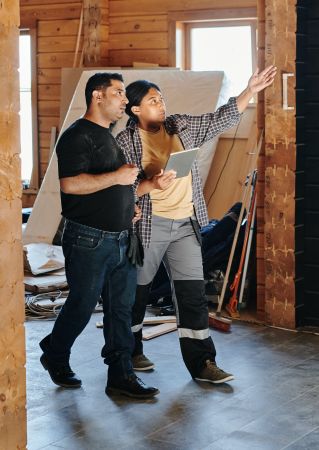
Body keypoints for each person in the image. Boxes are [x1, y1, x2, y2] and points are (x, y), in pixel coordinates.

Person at [116, 66, 277, 383]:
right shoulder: (125, 142)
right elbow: (118, 189)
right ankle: (129, 351)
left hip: (185, 224)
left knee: (191, 295)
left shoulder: (180, 126)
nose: (161, 105)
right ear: (135, 110)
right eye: (152, 101)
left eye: (161, 99)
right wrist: (151, 184)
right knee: (136, 293)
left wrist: (250, 90)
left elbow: (221, 118)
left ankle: (203, 363)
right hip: (149, 227)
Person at [39, 72, 159, 399]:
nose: (124, 100)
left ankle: (120, 375)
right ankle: (55, 353)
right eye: (118, 93)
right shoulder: (77, 136)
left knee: (121, 308)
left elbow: (114, 187)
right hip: (88, 239)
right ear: (97, 96)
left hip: (122, 237)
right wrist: (119, 177)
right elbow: (71, 184)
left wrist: (130, 204)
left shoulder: (109, 135)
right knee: (82, 304)